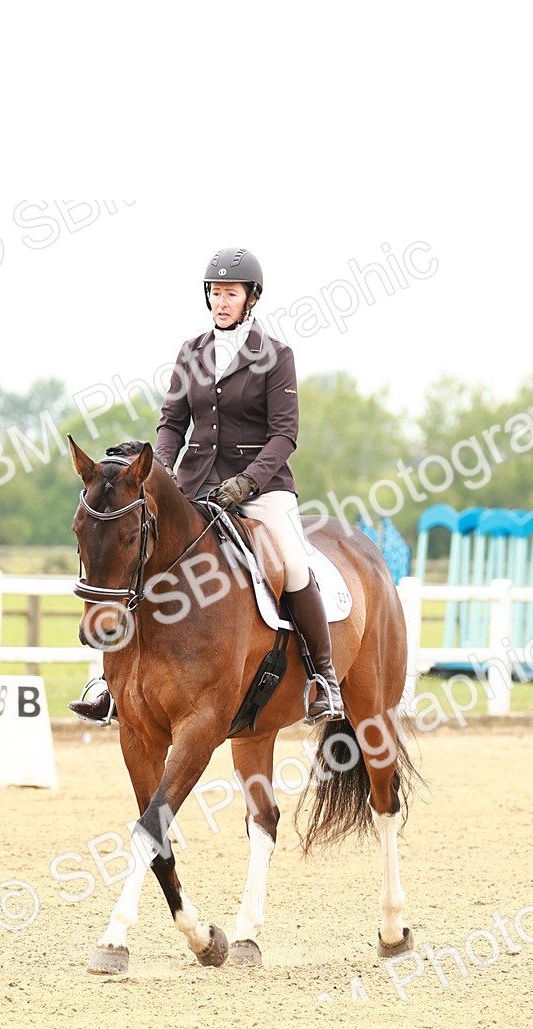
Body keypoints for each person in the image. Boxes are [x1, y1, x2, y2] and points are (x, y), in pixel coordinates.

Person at [69, 246, 344, 726]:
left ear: (251, 299)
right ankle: (110, 681)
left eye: (231, 294)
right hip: (194, 484)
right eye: (215, 293)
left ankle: (323, 679)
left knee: (295, 565)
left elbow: (285, 435)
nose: (221, 302)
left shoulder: (276, 356)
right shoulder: (191, 352)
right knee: (139, 560)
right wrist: (162, 473)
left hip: (262, 488)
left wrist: (247, 483)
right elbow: (172, 423)